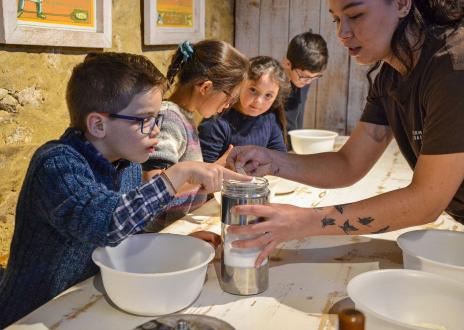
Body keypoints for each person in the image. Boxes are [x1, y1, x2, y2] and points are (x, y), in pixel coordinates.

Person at [0, 52, 249, 327]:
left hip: (87, 303)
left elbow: (128, 233)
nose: (156, 130)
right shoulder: (57, 164)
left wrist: (180, 245)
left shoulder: (127, 164)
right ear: (98, 124)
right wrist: (177, 174)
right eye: (145, 119)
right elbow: (108, 224)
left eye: (157, 118)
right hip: (34, 313)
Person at [226, 0, 464, 267]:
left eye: (355, 15)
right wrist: (273, 160)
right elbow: (348, 164)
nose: (342, 33)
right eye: (336, 19)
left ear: (402, 4)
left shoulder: (457, 62)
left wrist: (303, 221)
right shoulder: (390, 76)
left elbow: (427, 201)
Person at [141, 40, 248, 227]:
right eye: (229, 99)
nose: (226, 106)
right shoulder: (169, 118)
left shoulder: (184, 116)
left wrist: (214, 170)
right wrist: (211, 170)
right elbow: (154, 182)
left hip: (179, 225)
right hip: (161, 233)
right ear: (205, 87)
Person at [198, 56, 290, 163]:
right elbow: (203, 170)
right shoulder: (216, 122)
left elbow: (280, 160)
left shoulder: (269, 118)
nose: (258, 101)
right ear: (240, 84)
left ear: (276, 97)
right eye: (253, 90)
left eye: (268, 95)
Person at [282, 31, 328, 140]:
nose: (308, 82)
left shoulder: (302, 81)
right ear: (287, 63)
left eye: (314, 77)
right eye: (304, 76)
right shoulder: (272, 86)